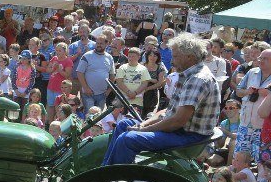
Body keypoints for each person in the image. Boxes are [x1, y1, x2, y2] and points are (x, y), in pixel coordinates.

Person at [102, 34, 220, 166]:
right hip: (180, 131)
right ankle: (105, 170)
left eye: (175, 56)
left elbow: (177, 121)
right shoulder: (187, 75)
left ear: (189, 57)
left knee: (127, 139)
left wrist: (144, 130)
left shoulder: (198, 80)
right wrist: (143, 125)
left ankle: (112, 176)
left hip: (188, 137)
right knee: (124, 125)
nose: (172, 61)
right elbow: (169, 112)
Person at [77, 35, 115, 113]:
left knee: (98, 118)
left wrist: (108, 91)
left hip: (102, 94)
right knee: (89, 117)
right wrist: (86, 88)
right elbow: (79, 72)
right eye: (97, 43)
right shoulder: (87, 56)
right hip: (88, 94)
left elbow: (112, 75)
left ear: (106, 44)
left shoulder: (109, 57)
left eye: (101, 43)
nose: (98, 45)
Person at [115, 47, 151, 115]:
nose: (131, 58)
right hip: (123, 100)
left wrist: (135, 93)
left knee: (134, 121)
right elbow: (119, 82)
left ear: (138, 57)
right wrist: (128, 92)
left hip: (137, 101)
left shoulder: (143, 69)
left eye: (133, 56)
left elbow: (144, 83)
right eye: (129, 56)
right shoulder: (122, 67)